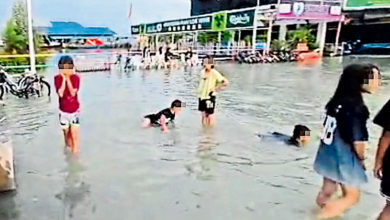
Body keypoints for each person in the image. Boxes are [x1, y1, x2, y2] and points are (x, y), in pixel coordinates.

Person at [313, 64, 380, 219]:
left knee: (327, 191)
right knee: (351, 197)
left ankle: (324, 212)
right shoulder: (356, 107)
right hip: (343, 156)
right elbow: (358, 140)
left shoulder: (335, 102)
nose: (378, 82)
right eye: (374, 78)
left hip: (327, 151)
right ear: (360, 81)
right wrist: (362, 160)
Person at [54, 56, 81, 155]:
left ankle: (75, 156)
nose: (66, 70)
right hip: (63, 112)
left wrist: (68, 79)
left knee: (74, 135)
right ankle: (67, 151)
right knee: (67, 135)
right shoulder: (57, 78)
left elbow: (73, 93)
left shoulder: (76, 78)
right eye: (63, 68)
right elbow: (60, 93)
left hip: (74, 112)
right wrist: (64, 80)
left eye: (68, 67)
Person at [197, 56, 229, 127]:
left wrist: (216, 88)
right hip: (201, 96)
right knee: (203, 115)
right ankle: (204, 131)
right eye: (204, 63)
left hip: (209, 96)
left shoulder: (214, 72)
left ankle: (210, 133)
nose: (205, 65)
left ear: (212, 64)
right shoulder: (202, 72)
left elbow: (225, 82)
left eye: (208, 63)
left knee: (210, 115)